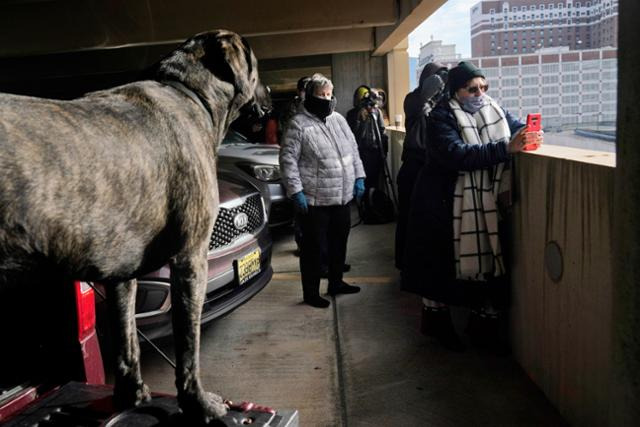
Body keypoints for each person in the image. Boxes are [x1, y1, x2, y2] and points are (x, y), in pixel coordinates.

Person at [401, 61, 543, 352]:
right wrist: (505, 149)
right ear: (455, 91)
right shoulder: (441, 117)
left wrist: (529, 135)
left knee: (485, 273)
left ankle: (481, 329)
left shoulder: (494, 110)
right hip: (440, 206)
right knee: (439, 274)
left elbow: (514, 129)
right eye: (472, 89)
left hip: (478, 205)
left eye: (483, 87)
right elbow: (457, 154)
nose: (480, 94)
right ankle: (440, 328)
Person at [279, 73, 366, 308]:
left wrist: (359, 177)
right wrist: (296, 191)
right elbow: (288, 160)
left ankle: (336, 282)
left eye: (329, 94)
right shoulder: (298, 123)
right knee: (313, 250)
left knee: (339, 244)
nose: (327, 99)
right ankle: (311, 293)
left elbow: (353, 151)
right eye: (321, 95)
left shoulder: (338, 119)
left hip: (342, 197)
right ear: (310, 96)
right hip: (314, 200)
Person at [395, 62, 448, 270]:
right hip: (413, 165)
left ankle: (419, 263)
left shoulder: (440, 102)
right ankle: (404, 263)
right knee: (407, 216)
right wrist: (439, 78)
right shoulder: (414, 99)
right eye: (437, 77)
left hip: (431, 165)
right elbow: (423, 98)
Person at [346, 85, 390, 222]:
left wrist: (384, 150)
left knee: (375, 182)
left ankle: (375, 208)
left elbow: (382, 130)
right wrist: (360, 120)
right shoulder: (352, 114)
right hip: (361, 153)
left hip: (376, 152)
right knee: (363, 183)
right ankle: (363, 209)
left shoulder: (376, 112)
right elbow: (351, 136)